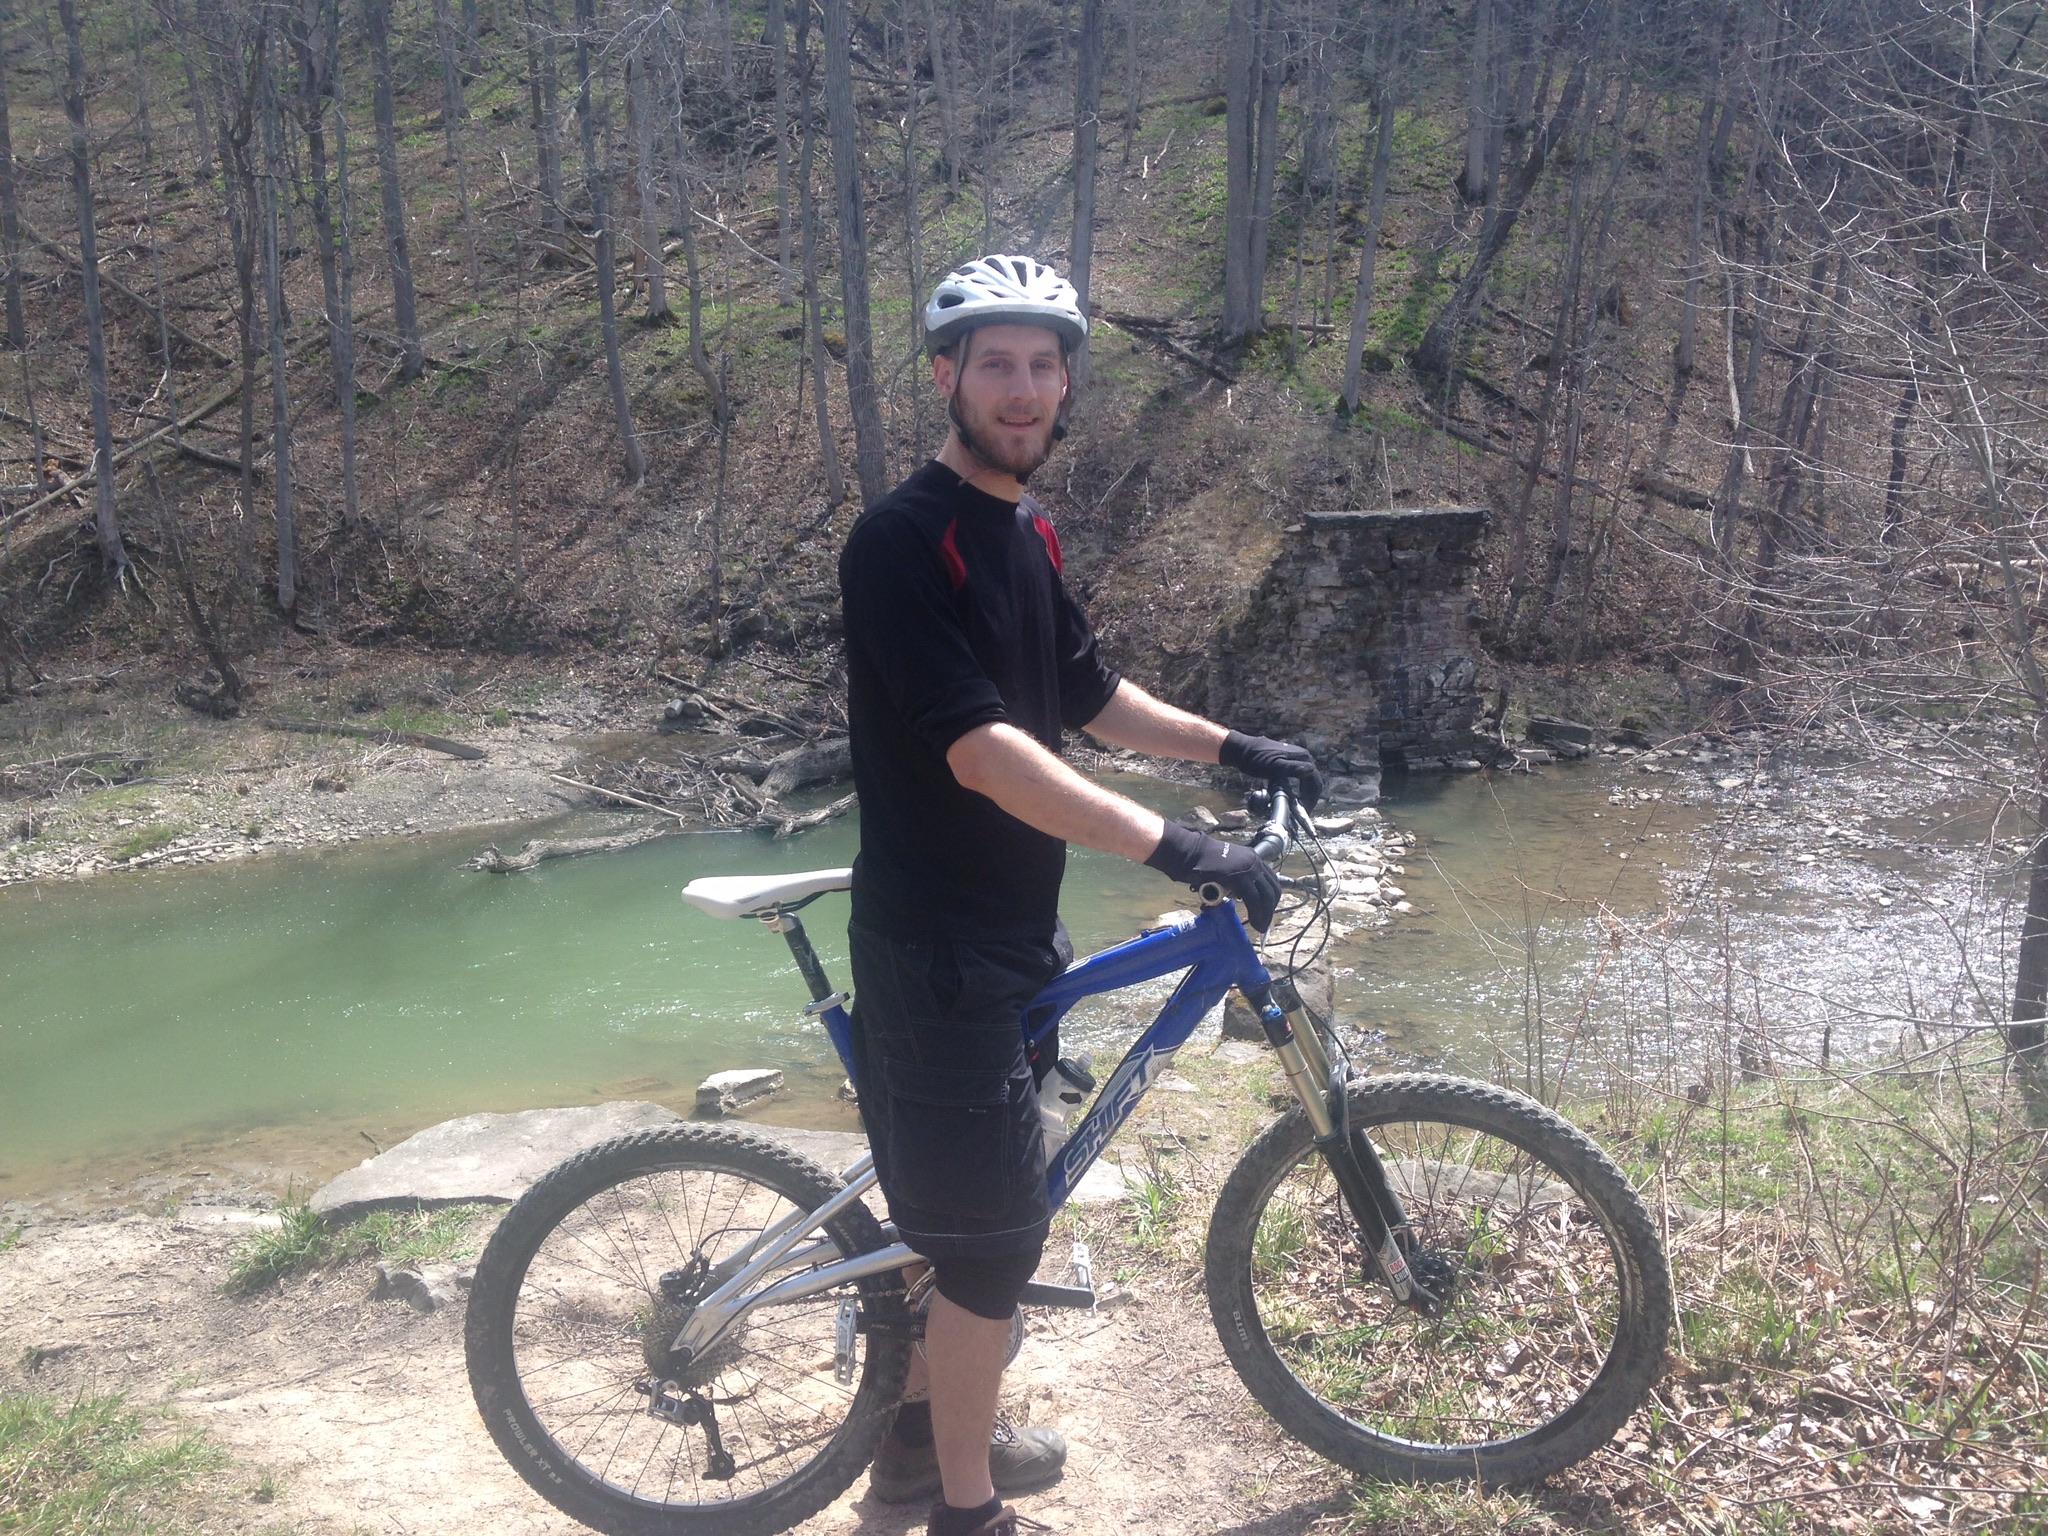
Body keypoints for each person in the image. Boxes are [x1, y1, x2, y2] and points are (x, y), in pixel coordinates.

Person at [839, 254, 1322, 1536]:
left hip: (1014, 935)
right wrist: (1175, 846)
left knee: (973, 1215)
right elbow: (982, 749)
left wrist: (1229, 748)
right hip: (936, 949)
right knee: (997, 1242)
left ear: (1065, 386)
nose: (1021, 387)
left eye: (1042, 365)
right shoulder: (898, 542)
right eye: (993, 362)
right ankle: (961, 1507)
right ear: (945, 378)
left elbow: (1087, 696)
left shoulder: (1025, 528)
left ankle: (909, 1435)